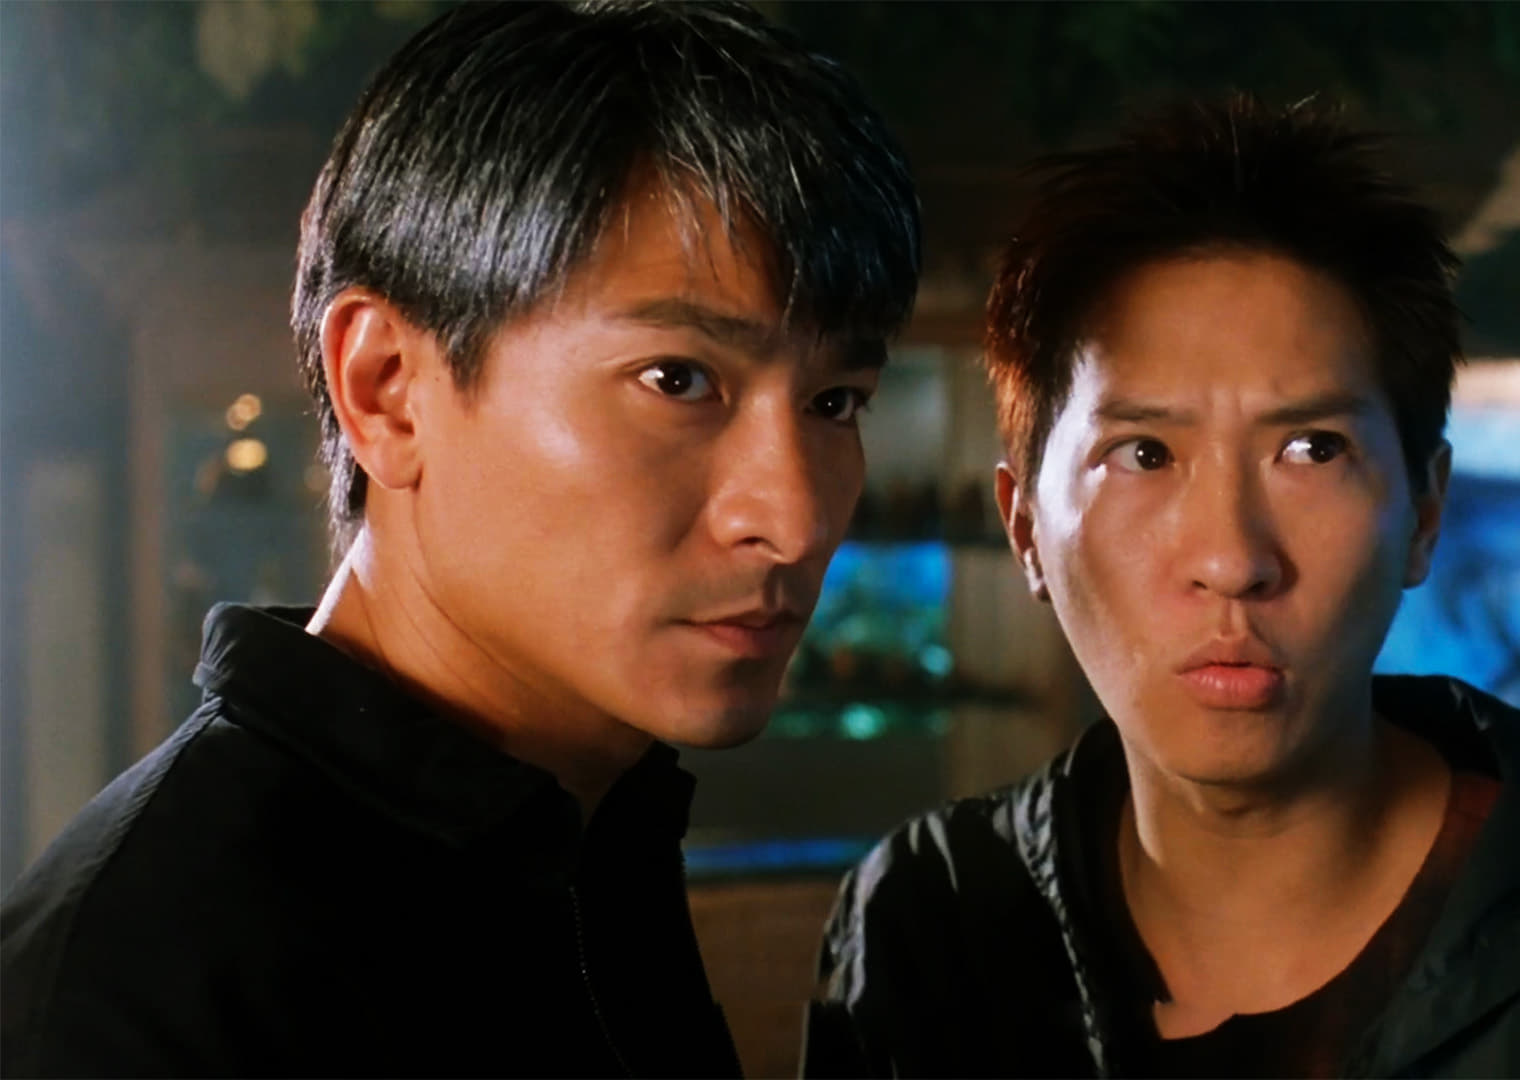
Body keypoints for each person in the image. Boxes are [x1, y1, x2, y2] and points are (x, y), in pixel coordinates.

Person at [804, 95, 1520, 1078]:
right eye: (1143, 454)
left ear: (1425, 513)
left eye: (1311, 449)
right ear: (1025, 526)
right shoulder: (929, 928)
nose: (1232, 559)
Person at [1, 2, 919, 1075]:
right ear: (387, 389)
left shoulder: (589, 837)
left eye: (835, 402)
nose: (796, 520)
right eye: (678, 380)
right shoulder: (137, 992)